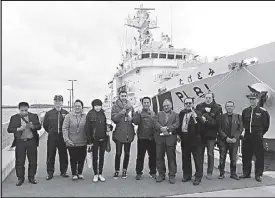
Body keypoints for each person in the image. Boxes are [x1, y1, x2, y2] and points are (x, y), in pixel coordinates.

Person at [7, 102, 41, 186]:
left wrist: (33, 126)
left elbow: (39, 126)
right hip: (20, 142)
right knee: (19, 161)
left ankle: (31, 177)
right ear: (19, 109)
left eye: (26, 110)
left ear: (28, 109)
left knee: (33, 160)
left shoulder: (34, 116)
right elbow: (9, 129)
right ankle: (20, 178)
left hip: (32, 141)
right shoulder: (14, 118)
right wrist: (18, 129)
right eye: (22, 110)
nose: (24, 112)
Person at [240, 92, 270, 182]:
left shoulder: (262, 112)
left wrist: (260, 133)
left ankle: (258, 174)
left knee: (259, 156)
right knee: (246, 155)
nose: (252, 101)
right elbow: (243, 123)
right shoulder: (245, 111)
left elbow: (266, 125)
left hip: (257, 136)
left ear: (257, 100)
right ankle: (246, 173)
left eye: (253, 99)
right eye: (250, 99)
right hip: (247, 136)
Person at [196, 92, 222, 180]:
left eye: (209, 97)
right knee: (200, 154)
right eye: (206, 97)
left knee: (210, 153)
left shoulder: (217, 107)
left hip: (211, 135)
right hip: (201, 134)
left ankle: (209, 172)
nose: (207, 99)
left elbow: (217, 123)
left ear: (213, 98)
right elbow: (197, 119)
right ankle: (199, 172)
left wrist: (206, 118)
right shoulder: (199, 106)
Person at [177, 97, 204, 186]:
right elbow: (179, 124)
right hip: (185, 139)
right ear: (184, 104)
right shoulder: (181, 113)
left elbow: (202, 126)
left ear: (193, 104)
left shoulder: (197, 113)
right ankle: (187, 175)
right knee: (185, 158)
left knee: (197, 159)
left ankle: (198, 177)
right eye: (186, 103)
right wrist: (178, 134)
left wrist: (197, 118)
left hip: (195, 139)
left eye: (190, 103)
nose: (188, 105)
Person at [43, 95, 69, 180]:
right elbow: (45, 125)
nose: (58, 103)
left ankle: (63, 171)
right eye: (56, 101)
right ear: (54, 102)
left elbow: (68, 125)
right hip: (52, 137)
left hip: (62, 137)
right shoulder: (49, 113)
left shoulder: (66, 113)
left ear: (62, 102)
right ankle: (50, 173)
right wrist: (51, 132)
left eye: (59, 101)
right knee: (50, 155)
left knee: (63, 154)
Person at [154, 99, 179, 184]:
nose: (166, 107)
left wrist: (168, 128)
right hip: (160, 139)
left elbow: (177, 124)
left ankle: (172, 175)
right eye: (164, 106)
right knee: (159, 157)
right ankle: (161, 174)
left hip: (170, 139)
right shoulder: (159, 114)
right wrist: (161, 128)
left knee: (171, 158)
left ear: (171, 106)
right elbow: (155, 122)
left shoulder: (175, 115)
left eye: (167, 105)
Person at [111, 90, 135, 179]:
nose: (124, 97)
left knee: (127, 153)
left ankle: (124, 170)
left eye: (125, 96)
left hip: (129, 133)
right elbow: (113, 119)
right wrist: (121, 113)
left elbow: (134, 119)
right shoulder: (115, 107)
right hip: (119, 133)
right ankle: (117, 170)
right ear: (119, 96)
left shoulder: (131, 107)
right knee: (118, 153)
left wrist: (132, 118)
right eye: (122, 96)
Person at [218, 101, 243, 180]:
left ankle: (233, 173)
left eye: (231, 106)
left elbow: (240, 128)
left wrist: (235, 138)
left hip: (234, 141)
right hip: (223, 140)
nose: (229, 107)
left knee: (233, 158)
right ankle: (221, 173)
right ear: (225, 107)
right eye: (228, 106)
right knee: (222, 157)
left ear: (233, 107)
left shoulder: (238, 116)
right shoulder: (221, 117)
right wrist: (226, 138)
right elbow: (219, 129)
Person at [133, 97, 157, 180]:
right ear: (142, 104)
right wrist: (137, 114)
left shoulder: (153, 113)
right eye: (145, 102)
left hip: (152, 138)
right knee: (140, 156)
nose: (146, 104)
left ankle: (153, 172)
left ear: (150, 103)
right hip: (142, 138)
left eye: (147, 102)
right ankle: (139, 172)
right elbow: (135, 122)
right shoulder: (139, 112)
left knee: (153, 156)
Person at [62, 99, 87, 180]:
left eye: (79, 106)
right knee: (73, 158)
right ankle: (74, 173)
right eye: (75, 106)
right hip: (71, 141)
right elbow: (65, 128)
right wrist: (66, 139)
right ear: (73, 107)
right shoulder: (68, 116)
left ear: (82, 107)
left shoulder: (85, 116)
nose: (77, 107)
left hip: (83, 141)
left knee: (82, 158)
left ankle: (80, 172)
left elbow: (89, 128)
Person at [85, 99, 108, 183]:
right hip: (94, 140)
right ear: (93, 106)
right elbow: (87, 129)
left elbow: (105, 126)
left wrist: (109, 129)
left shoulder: (103, 114)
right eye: (96, 105)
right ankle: (95, 174)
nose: (98, 107)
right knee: (95, 157)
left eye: (99, 105)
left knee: (102, 157)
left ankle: (100, 173)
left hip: (103, 139)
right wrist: (89, 141)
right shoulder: (90, 114)